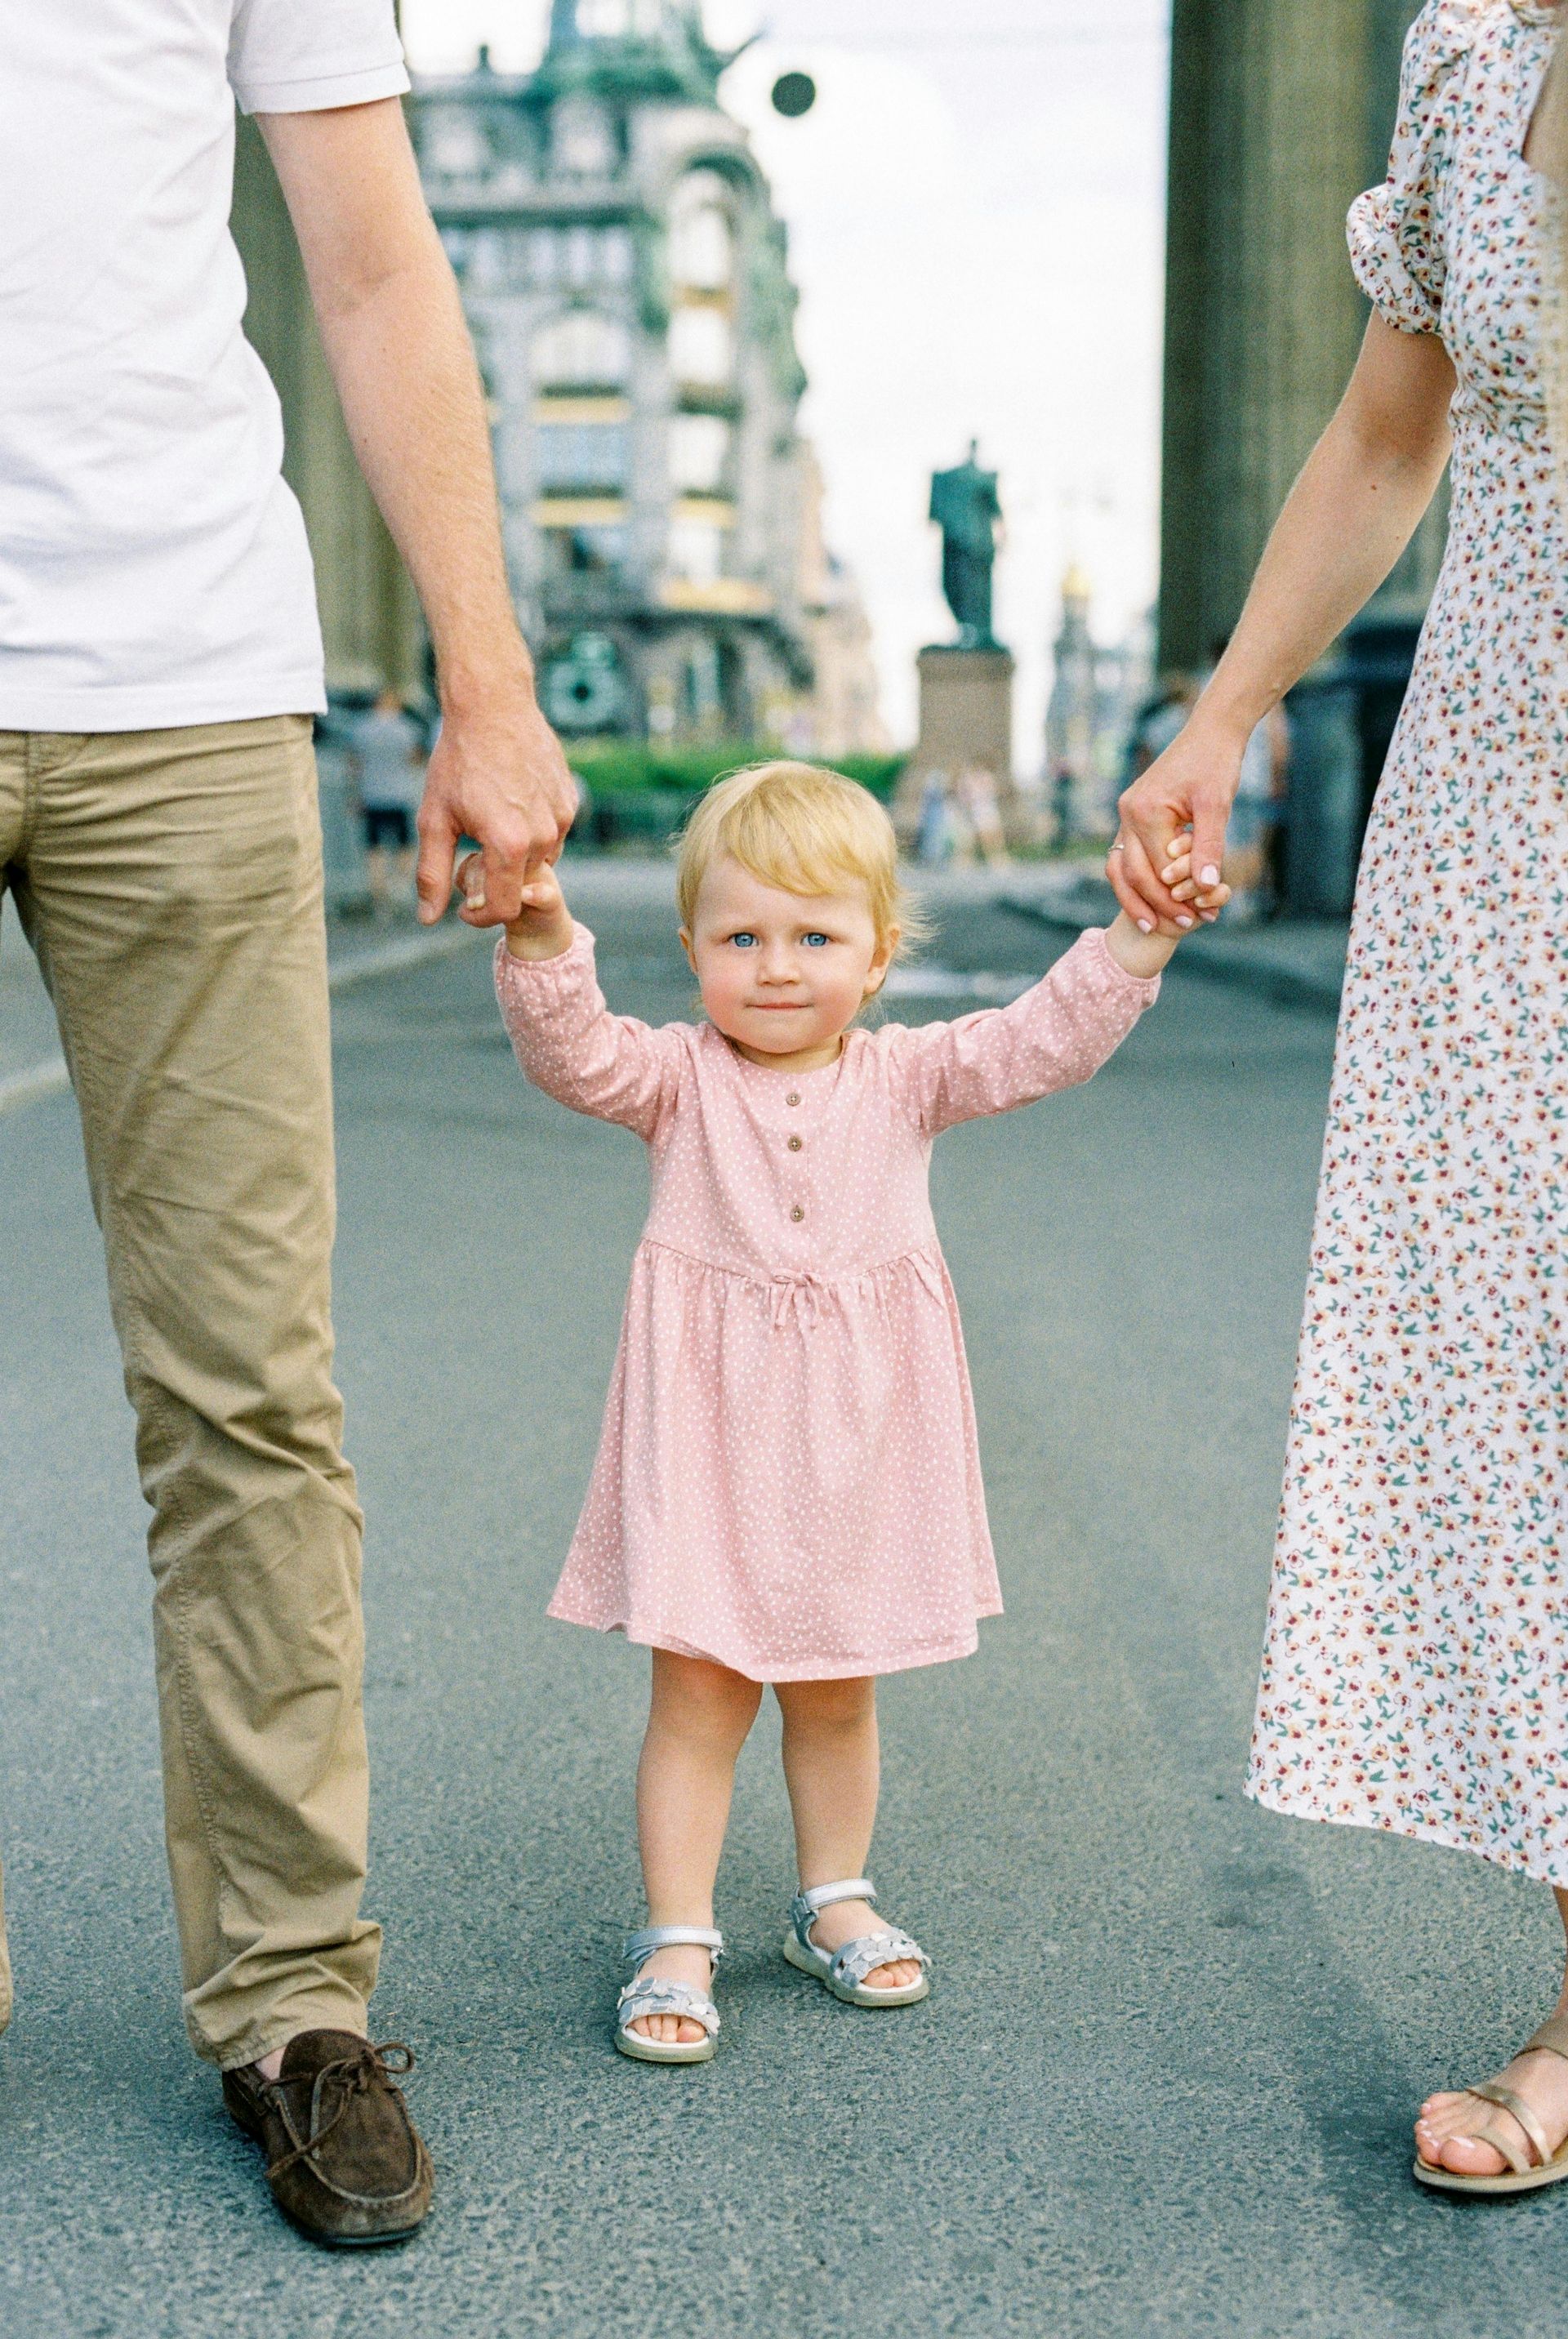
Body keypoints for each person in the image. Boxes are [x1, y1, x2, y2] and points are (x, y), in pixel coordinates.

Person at [1, 0, 575, 2246]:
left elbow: (372, 254)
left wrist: (489, 685)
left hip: (187, 680)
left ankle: (293, 2001)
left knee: (247, 1387)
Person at [1111, 0, 1568, 2198]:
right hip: (1502, 806)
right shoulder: (1472, 52)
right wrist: (1224, 718)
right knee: (1523, 1396)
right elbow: (1397, 432)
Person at [481, 763, 1216, 2062]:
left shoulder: (912, 1077)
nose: (776, 968)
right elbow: (572, 1054)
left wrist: (1141, 935)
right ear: (696, 950)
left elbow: (1044, 1037)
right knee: (700, 1692)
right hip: (709, 1435)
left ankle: (835, 1900)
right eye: (741, 937)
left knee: (834, 1688)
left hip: (860, 1441)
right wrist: (542, 932)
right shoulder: (673, 1081)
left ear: (879, 955)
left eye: (815, 937)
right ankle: (677, 1930)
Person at [351, 688, 426, 915]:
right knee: (405, 845)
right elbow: (416, 759)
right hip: (400, 795)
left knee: (374, 849)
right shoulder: (406, 728)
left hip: (371, 796)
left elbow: (354, 764)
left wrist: (355, 794)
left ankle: (380, 897)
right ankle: (400, 886)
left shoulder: (361, 729)